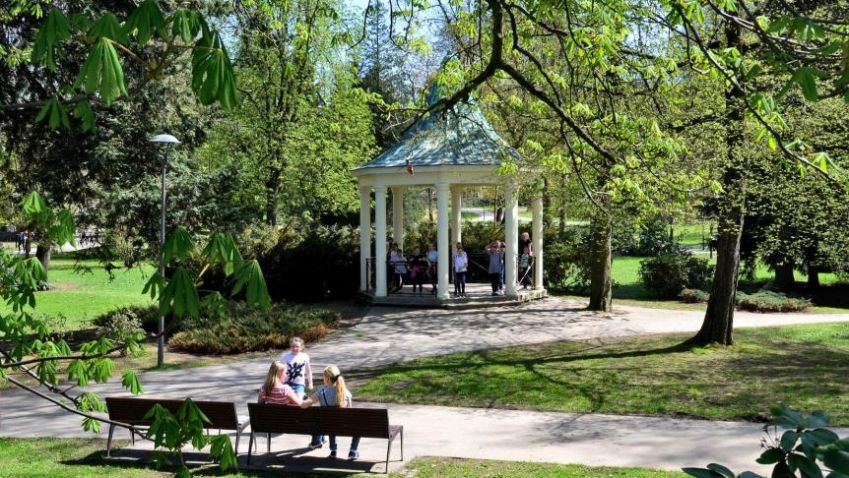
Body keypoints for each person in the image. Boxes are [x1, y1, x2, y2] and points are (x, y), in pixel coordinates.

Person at [301, 365, 360, 460]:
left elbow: (304, 405)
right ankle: (353, 451)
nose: (322, 378)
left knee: (330, 422)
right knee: (359, 427)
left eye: (323, 376)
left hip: (327, 425)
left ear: (327, 378)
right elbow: (350, 412)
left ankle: (333, 451)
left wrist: (303, 398)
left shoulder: (321, 392)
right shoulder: (346, 393)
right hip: (343, 426)